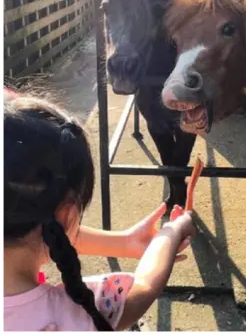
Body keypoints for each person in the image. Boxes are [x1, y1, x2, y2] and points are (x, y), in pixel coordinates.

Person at [4, 93, 197, 331]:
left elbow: (44, 229)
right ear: (67, 217)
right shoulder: (85, 312)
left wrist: (124, 243)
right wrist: (172, 231)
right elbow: (145, 285)